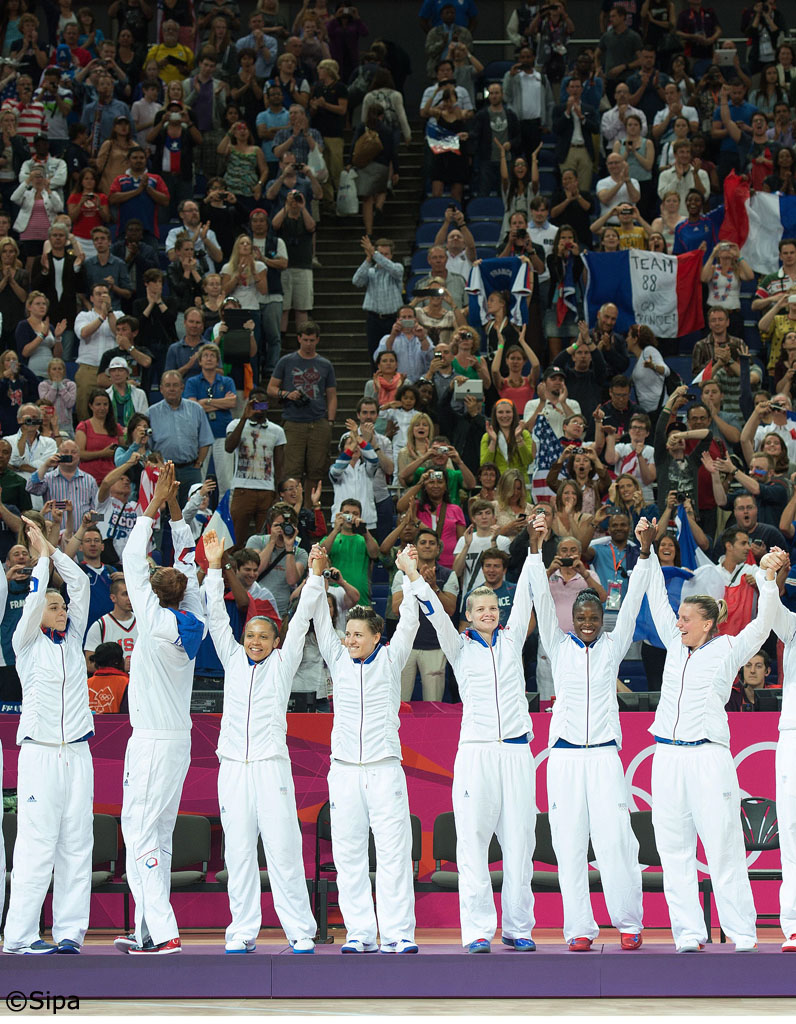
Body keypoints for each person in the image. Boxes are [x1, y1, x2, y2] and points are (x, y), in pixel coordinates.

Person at [642, 542, 785, 952]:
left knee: (723, 846)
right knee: (674, 850)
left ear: (707, 624)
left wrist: (768, 583)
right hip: (666, 756)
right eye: (679, 617)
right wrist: (648, 552)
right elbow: (654, 598)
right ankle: (688, 933)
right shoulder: (673, 645)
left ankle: (742, 935)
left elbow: (763, 624)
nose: (679, 622)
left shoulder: (727, 649)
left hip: (708, 756)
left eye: (686, 618)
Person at [528, 514, 656, 950]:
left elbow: (635, 599)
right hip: (564, 756)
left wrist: (643, 553)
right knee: (568, 844)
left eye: (593, 615)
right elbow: (541, 601)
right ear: (572, 618)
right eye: (580, 616)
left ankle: (628, 923)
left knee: (616, 840)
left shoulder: (612, 647)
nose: (585, 621)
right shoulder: (558, 644)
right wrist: (534, 547)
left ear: (602, 617)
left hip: (603, 755)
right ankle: (579, 928)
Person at [415, 543, 537, 953]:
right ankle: (479, 931)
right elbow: (432, 610)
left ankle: (518, 928)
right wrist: (413, 576)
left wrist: (534, 549)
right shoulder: (459, 646)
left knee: (521, 843)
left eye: (493, 609)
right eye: (480, 609)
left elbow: (525, 598)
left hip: (517, 752)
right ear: (468, 615)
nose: (488, 614)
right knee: (472, 843)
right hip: (477, 752)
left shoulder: (513, 638)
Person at [202, 529, 318, 954]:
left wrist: (316, 578)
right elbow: (216, 616)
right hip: (232, 767)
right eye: (250, 635)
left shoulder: (283, 664)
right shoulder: (232, 659)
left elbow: (303, 616)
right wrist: (215, 568)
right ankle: (242, 930)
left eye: (263, 637)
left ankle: (300, 930)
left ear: (274, 641)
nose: (254, 642)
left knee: (284, 849)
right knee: (238, 852)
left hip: (270, 765)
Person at [306, 542, 422, 954]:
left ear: (376, 636)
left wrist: (409, 574)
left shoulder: (391, 660)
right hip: (344, 771)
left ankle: (397, 933)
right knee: (349, 854)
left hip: (384, 768)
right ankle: (360, 932)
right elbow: (319, 619)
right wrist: (316, 574)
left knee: (393, 853)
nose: (350, 638)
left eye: (358, 634)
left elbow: (409, 619)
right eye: (348, 633)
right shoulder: (337, 659)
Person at [115, 463, 207, 956]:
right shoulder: (196, 617)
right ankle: (149, 928)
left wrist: (153, 504)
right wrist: (174, 508)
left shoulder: (149, 619)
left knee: (139, 832)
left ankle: (164, 931)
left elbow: (132, 553)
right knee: (161, 834)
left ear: (152, 592)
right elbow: (190, 560)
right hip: (177, 739)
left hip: (150, 739)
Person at [2, 516, 92, 955]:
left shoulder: (73, 641)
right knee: (37, 845)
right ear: (40, 614)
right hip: (38, 753)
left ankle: (70, 931)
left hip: (78, 752)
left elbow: (82, 588)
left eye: (63, 608)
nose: (63, 612)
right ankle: (19, 936)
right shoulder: (25, 643)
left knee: (77, 841)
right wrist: (40, 563)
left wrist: (54, 553)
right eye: (55, 608)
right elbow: (38, 601)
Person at [267, 323, 337, 504]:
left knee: (316, 470)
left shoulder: (325, 364)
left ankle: (309, 509)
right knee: (292, 470)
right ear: (299, 339)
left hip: (318, 420)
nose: (308, 343)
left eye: (312, 340)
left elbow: (331, 394)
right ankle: (292, 508)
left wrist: (330, 421)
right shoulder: (287, 361)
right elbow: (271, 388)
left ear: (317, 340)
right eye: (305, 340)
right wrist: (287, 394)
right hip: (294, 421)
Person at [225, 387, 286, 544]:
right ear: (248, 403)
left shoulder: (277, 431)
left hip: (267, 491)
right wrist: (244, 418)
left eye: (262, 403)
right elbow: (229, 447)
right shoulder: (235, 424)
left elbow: (279, 466)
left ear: (267, 405)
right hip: (242, 489)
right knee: (236, 539)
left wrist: (278, 494)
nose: (259, 407)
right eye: (255, 403)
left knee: (266, 540)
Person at [148, 372, 214, 505]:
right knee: (165, 510)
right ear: (161, 389)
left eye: (175, 385)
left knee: (193, 508)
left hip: (191, 470)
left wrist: (198, 464)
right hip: (164, 471)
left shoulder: (196, 409)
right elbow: (148, 446)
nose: (171, 389)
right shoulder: (151, 413)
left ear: (182, 388)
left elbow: (205, 440)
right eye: (168, 385)